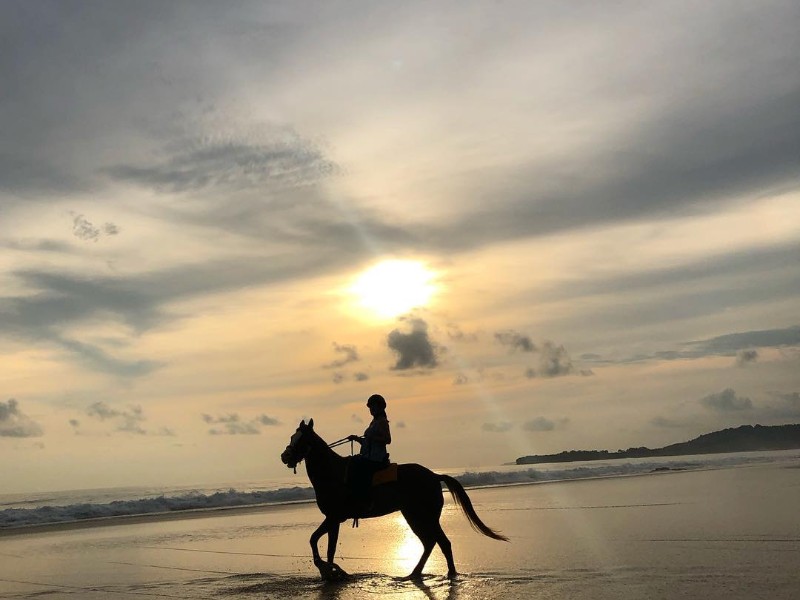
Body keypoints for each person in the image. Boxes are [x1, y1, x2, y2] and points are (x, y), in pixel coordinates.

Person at [346, 394, 392, 509]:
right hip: (369, 457)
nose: (371, 410)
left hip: (376, 459)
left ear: (379, 407)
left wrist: (372, 438)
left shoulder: (382, 421)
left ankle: (366, 499)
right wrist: (356, 439)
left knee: (357, 467)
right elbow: (368, 443)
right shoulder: (373, 423)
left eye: (373, 407)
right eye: (370, 407)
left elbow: (388, 439)